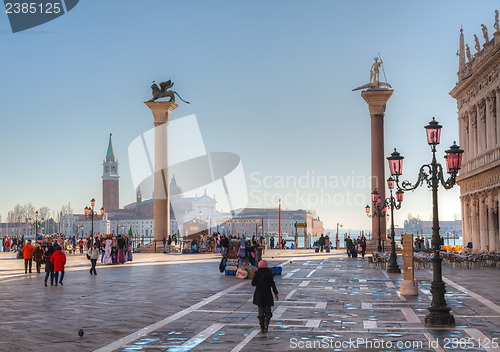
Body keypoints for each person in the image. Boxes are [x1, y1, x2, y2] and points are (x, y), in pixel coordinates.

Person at [252, 260, 279, 333]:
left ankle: (262, 327)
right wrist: (276, 293)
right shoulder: (269, 274)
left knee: (260, 312)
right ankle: (266, 323)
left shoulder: (257, 273)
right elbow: (272, 284)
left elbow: (253, 283)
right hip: (267, 294)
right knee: (268, 311)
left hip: (259, 294)